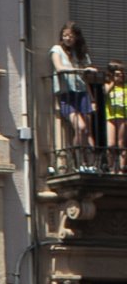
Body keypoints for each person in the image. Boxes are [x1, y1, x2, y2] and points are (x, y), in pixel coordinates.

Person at [51, 21, 97, 161]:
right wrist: (82, 70)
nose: (67, 38)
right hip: (67, 94)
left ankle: (91, 161)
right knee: (81, 127)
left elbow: (86, 80)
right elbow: (59, 68)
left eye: (70, 36)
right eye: (65, 35)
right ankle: (75, 160)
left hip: (82, 93)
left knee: (88, 131)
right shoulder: (56, 50)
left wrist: (92, 99)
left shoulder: (80, 54)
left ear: (76, 37)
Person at [106, 61, 127, 172]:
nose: (120, 77)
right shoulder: (109, 85)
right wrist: (113, 82)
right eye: (117, 75)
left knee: (121, 143)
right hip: (110, 117)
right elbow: (105, 92)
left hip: (122, 116)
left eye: (121, 74)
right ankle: (111, 168)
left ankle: (121, 169)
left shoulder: (125, 88)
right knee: (110, 144)